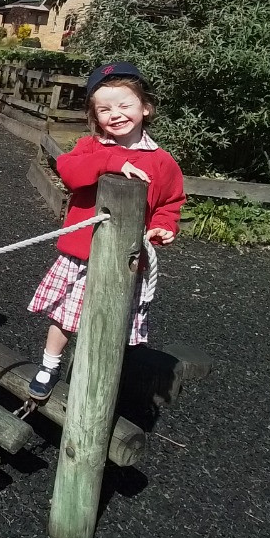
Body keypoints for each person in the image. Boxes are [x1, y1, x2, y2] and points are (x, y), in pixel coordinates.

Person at [27, 62, 186, 400]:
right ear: (94, 116)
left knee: (111, 323)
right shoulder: (90, 148)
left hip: (126, 260)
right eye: (105, 108)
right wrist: (111, 162)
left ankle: (100, 375)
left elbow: (170, 203)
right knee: (65, 317)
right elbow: (69, 172)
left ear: (145, 107)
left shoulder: (162, 162)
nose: (116, 114)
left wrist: (162, 227)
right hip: (82, 254)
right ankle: (49, 364)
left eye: (124, 104)